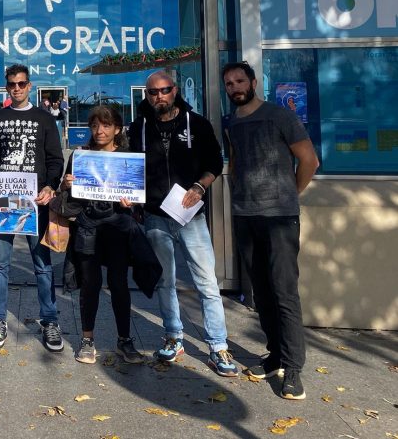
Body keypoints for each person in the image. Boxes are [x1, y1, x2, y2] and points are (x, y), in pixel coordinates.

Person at [128, 71, 239, 377]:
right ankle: (174, 336)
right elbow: (129, 169)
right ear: (147, 96)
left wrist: (200, 187)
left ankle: (218, 345)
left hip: (191, 216)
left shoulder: (197, 123)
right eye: (153, 92)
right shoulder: (139, 128)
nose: (158, 96)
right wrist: (129, 198)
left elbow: (214, 163)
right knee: (165, 281)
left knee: (206, 282)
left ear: (174, 90)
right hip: (154, 216)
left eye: (164, 90)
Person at [222, 62, 319, 400]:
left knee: (284, 292)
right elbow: (234, 162)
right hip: (245, 216)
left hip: (279, 218)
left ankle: (293, 369)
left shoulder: (280, 116)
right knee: (260, 292)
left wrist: (291, 193)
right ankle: (275, 354)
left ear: (253, 81)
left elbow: (309, 160)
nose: (235, 87)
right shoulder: (232, 121)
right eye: (229, 84)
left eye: (240, 81)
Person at [0, 64, 65, 352]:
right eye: (12, 84)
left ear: (30, 86)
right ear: (7, 87)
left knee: (42, 265)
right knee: (1, 264)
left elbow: (55, 158)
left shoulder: (44, 119)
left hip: (35, 203)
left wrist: (50, 186)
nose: (16, 88)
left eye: (21, 84)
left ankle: (50, 320)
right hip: (4, 203)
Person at [59, 106, 148, 364]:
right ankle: (87, 340)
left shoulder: (127, 157)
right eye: (96, 125)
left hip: (117, 227)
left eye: (106, 125)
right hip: (87, 226)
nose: (100, 131)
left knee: (119, 284)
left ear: (117, 129)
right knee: (90, 284)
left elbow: (137, 197)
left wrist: (131, 202)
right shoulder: (81, 156)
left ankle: (124, 339)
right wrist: (66, 185)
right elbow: (68, 195)